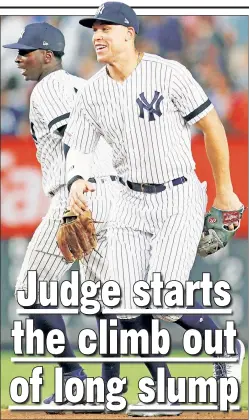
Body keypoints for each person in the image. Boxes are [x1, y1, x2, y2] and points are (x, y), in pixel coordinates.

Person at [63, 2, 245, 416]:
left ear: (129, 32)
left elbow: (212, 126)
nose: (97, 35)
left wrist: (226, 191)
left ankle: (226, 349)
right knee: (124, 302)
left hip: (178, 195)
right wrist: (76, 181)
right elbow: (78, 149)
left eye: (106, 27)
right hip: (129, 199)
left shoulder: (168, 73)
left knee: (163, 299)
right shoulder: (93, 92)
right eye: (94, 29)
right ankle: (163, 391)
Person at [2, 22, 124, 411]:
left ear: (48, 56)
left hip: (76, 195)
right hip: (105, 192)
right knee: (114, 298)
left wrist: (77, 195)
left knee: (31, 289)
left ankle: (75, 378)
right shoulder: (82, 85)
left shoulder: (50, 87)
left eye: (26, 51)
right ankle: (109, 386)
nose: (19, 58)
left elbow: (76, 137)